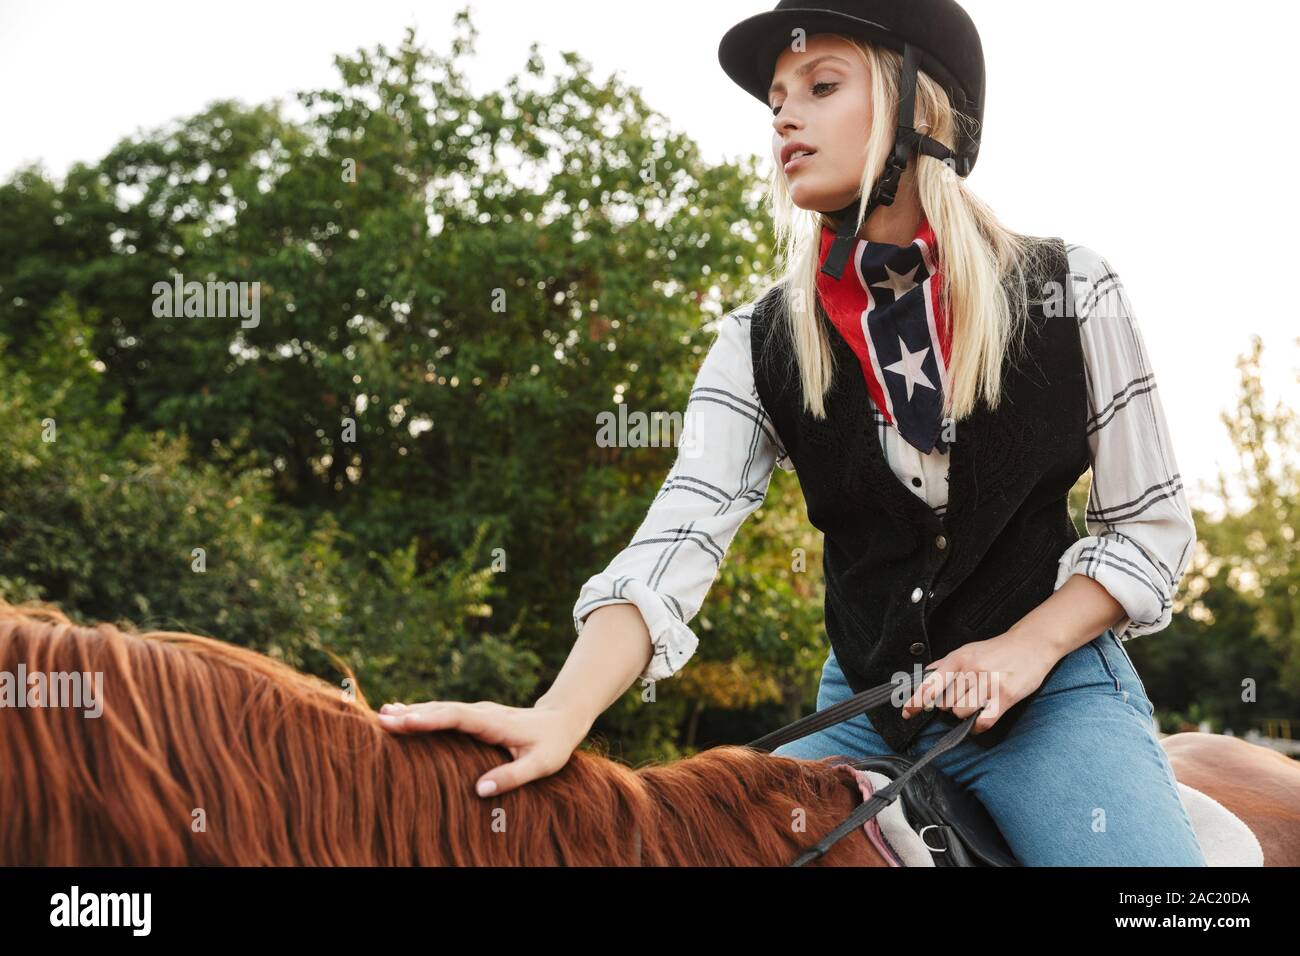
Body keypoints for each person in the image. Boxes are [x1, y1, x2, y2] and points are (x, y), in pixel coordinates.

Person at [379, 0, 1207, 866]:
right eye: (775, 98)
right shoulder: (758, 339)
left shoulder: (1073, 288)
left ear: (918, 105)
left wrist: (1024, 646)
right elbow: (675, 538)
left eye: (820, 84)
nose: (783, 114)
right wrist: (561, 712)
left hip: (1056, 698)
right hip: (865, 702)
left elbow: (1149, 529)